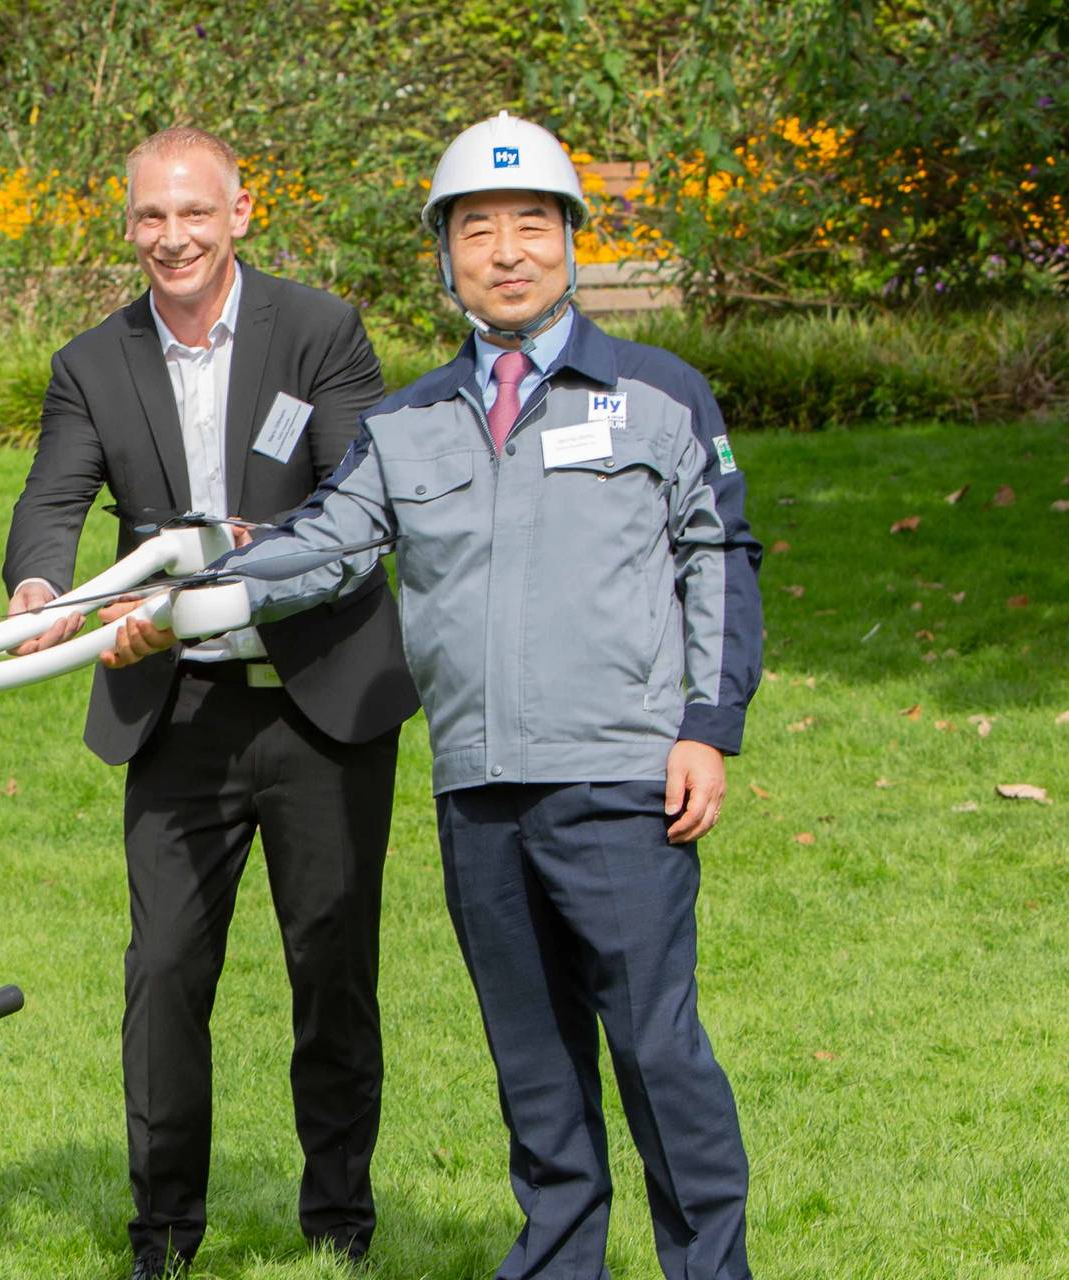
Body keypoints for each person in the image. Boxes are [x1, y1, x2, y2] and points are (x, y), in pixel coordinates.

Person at [101, 112, 764, 1280]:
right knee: (533, 1061)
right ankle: (559, 1261)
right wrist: (174, 595)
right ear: (446, 253)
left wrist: (707, 729)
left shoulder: (662, 396)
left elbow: (716, 559)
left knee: (656, 1052)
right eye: (476, 231)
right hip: (481, 790)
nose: (506, 251)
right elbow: (326, 543)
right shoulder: (407, 423)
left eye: (530, 225)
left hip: (618, 778)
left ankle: (710, 1266)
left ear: (571, 239)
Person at [0, 127, 417, 1277]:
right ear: (126, 223)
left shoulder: (320, 331)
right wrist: (42, 581)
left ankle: (338, 1223)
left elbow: (357, 497)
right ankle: (163, 1231)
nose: (172, 237)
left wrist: (239, 555)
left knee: (331, 966)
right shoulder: (95, 360)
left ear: (241, 212)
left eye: (194, 213)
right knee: (166, 970)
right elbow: (50, 502)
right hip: (175, 712)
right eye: (149, 217)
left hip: (319, 703)